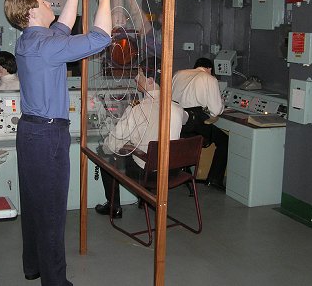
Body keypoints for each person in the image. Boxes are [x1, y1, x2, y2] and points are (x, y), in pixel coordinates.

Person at [3, 0, 112, 286]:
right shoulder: (45, 47)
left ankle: (33, 265)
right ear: (33, 8)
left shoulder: (31, 39)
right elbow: (100, 38)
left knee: (35, 205)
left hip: (30, 133)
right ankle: (55, 282)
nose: (50, 1)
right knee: (51, 214)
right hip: (48, 137)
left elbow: (63, 26)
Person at [95, 56, 186, 218]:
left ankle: (113, 206)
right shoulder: (177, 108)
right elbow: (181, 121)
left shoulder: (137, 110)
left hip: (146, 173)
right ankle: (145, 199)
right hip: (172, 171)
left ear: (150, 81)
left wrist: (109, 146)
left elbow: (113, 143)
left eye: (140, 74)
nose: (136, 78)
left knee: (104, 154)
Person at [172, 57, 228, 191]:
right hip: (194, 121)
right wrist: (222, 104)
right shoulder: (209, 78)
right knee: (224, 140)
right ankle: (214, 179)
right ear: (209, 69)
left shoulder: (179, 73)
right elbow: (216, 110)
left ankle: (184, 168)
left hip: (175, 120)